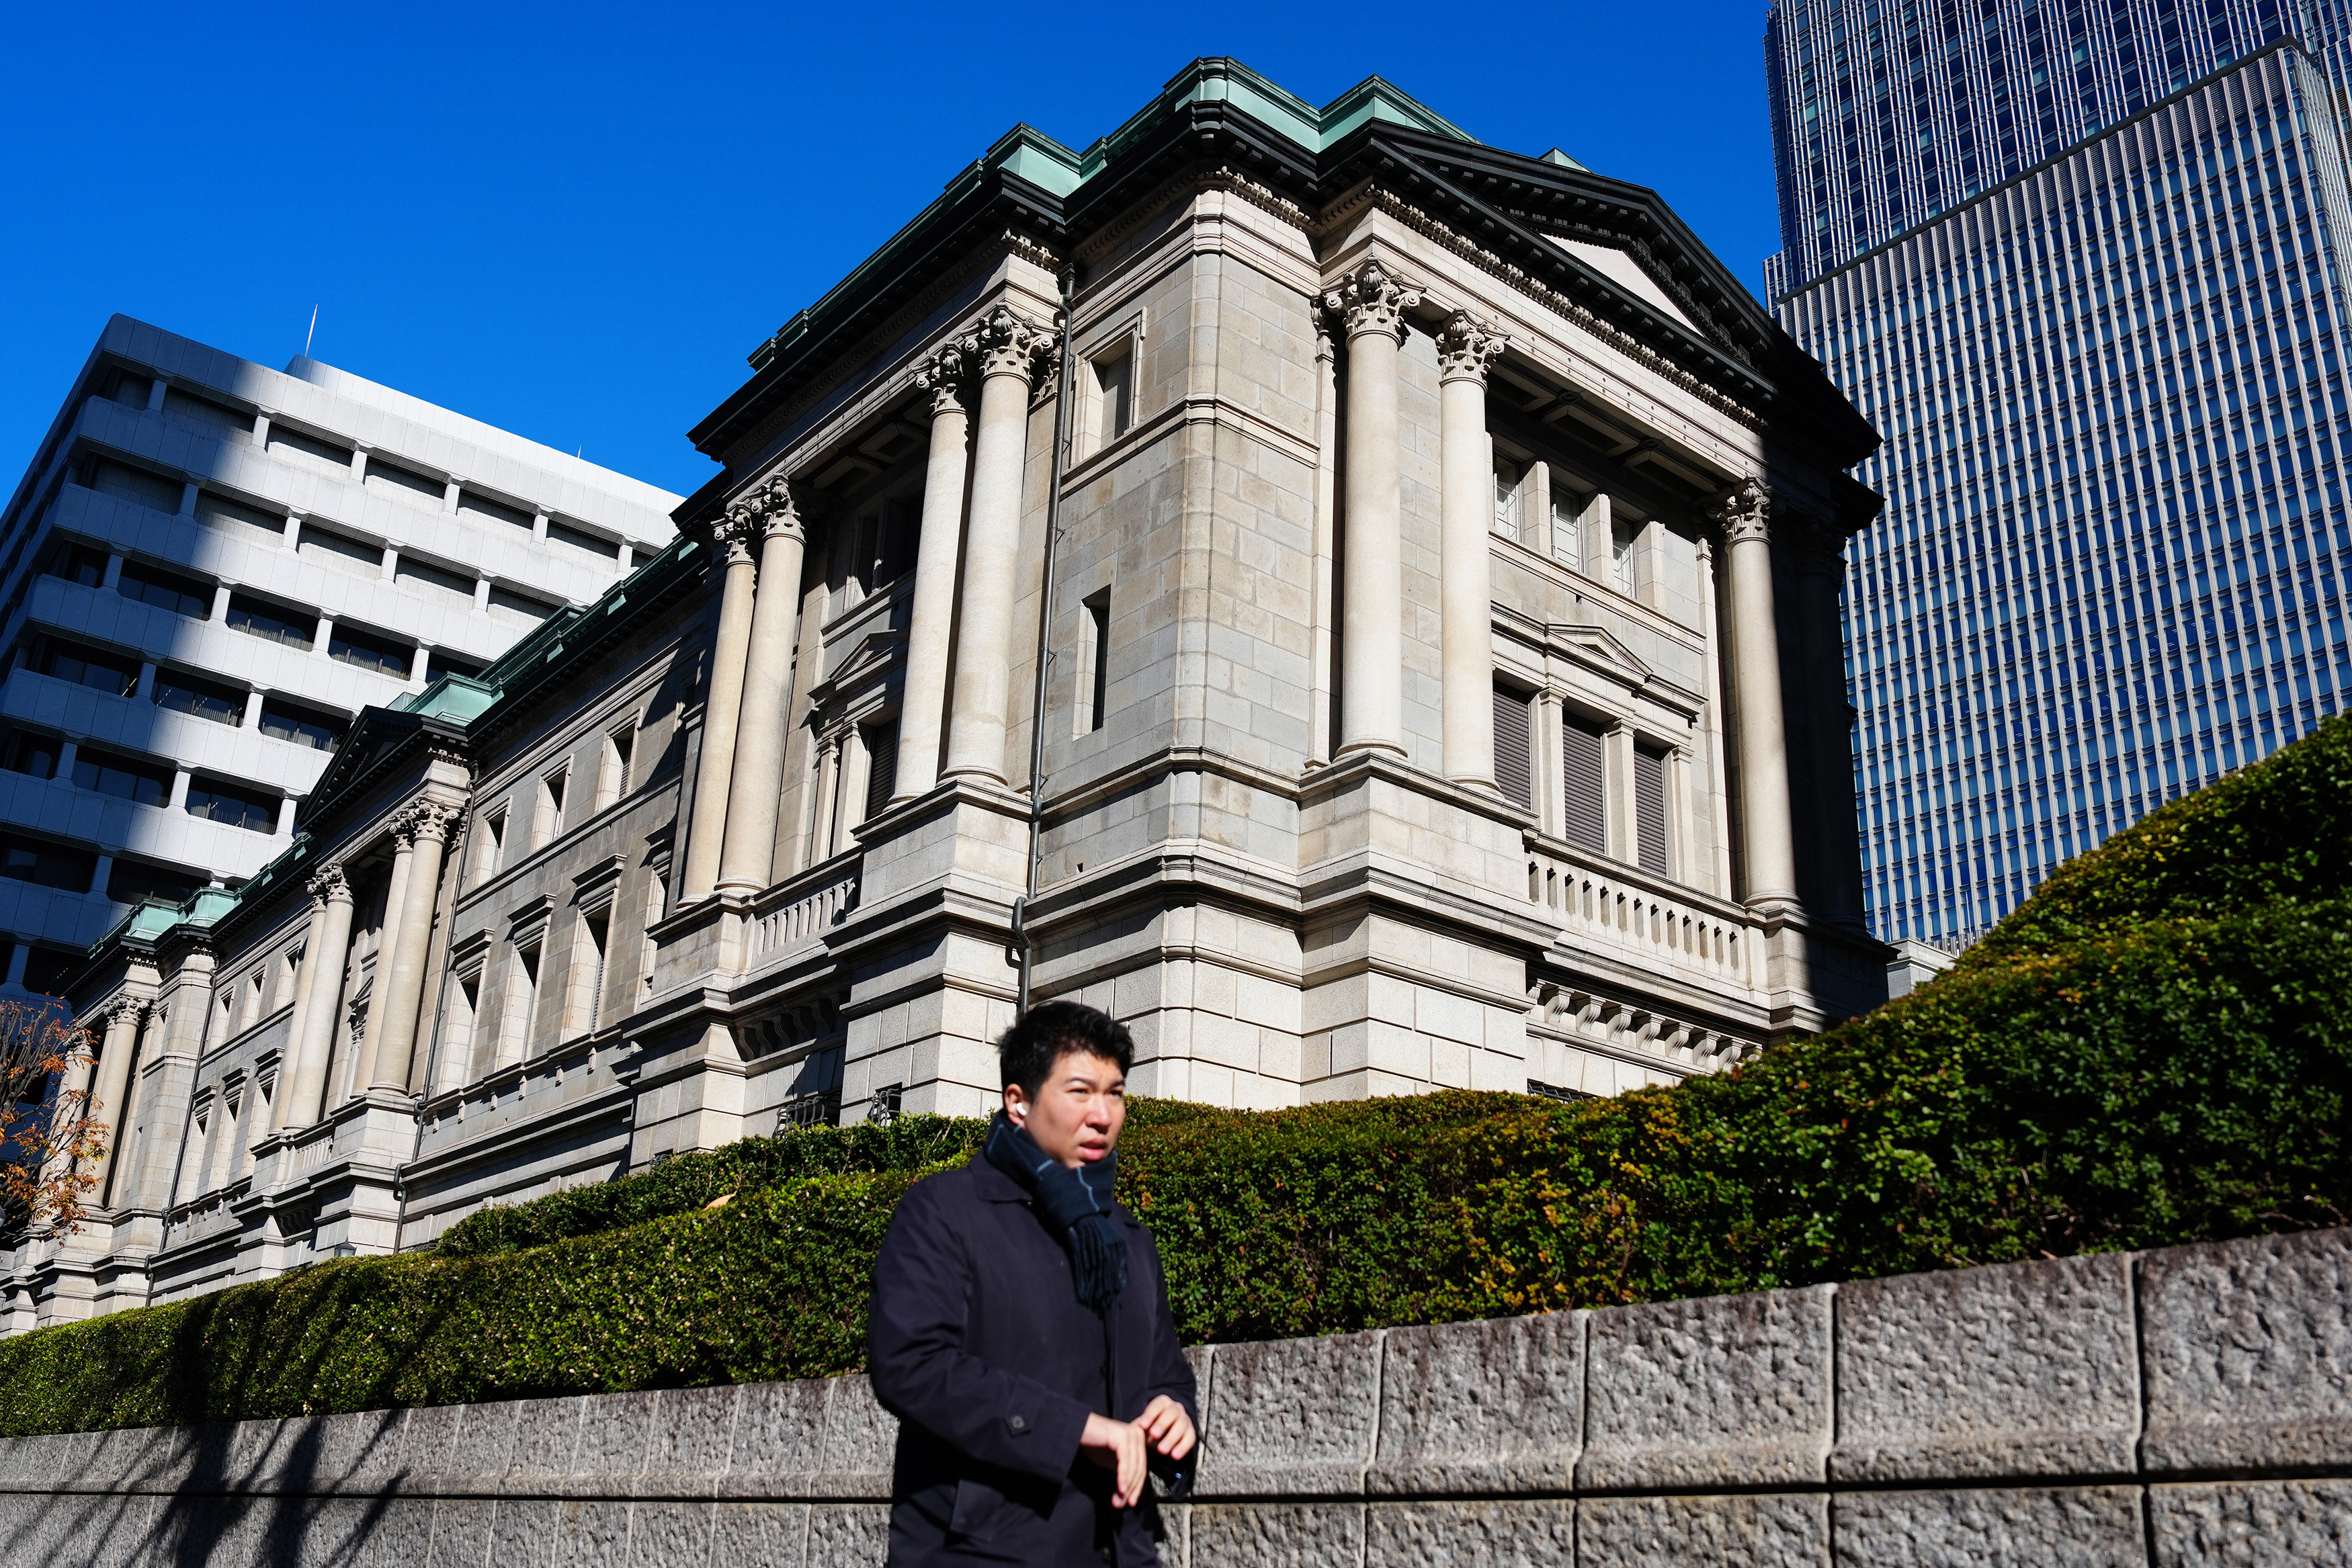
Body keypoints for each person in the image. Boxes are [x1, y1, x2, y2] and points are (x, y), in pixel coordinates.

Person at [867, 1001, 1199, 1566]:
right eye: (1080, 1091)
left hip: (1123, 1546)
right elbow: (912, 1364)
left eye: (1115, 1093)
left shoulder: (1127, 1236)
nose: (1103, 1115)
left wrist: (1174, 1413)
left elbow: (1165, 1372)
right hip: (985, 1550)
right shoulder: (945, 1211)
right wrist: (1075, 1430)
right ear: (1018, 1102)